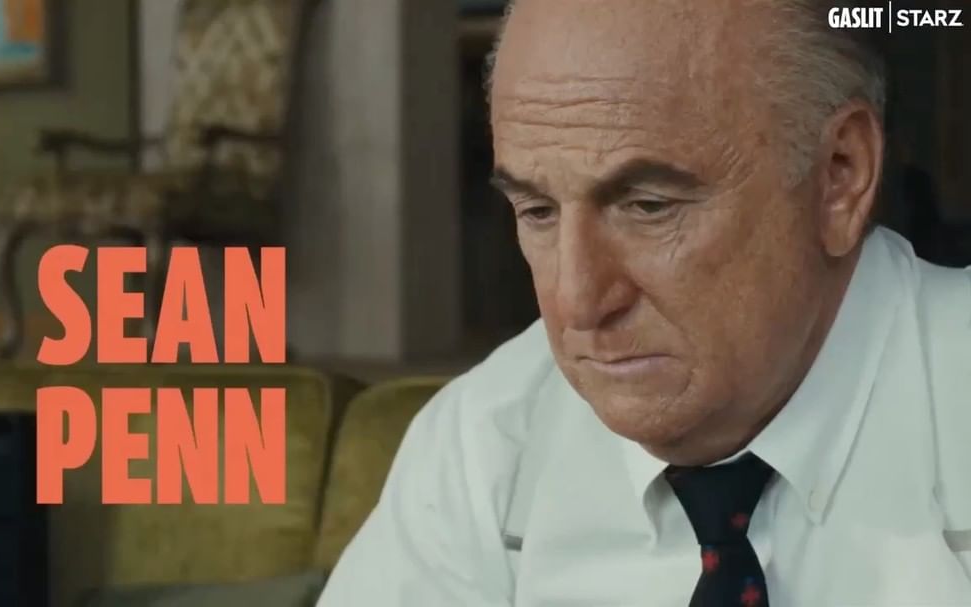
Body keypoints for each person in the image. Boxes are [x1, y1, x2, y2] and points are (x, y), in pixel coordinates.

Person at [317, 0, 971, 605]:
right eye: (537, 211)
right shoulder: (485, 446)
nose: (577, 302)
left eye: (648, 207)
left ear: (839, 175)